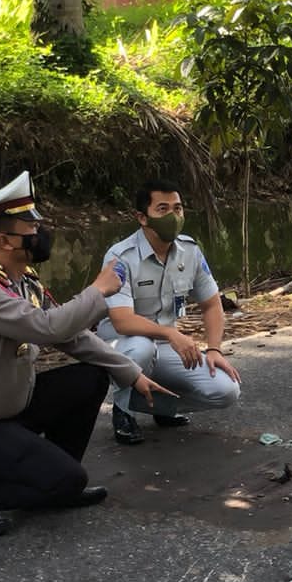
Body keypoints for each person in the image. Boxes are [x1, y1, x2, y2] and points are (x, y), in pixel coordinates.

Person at [0, 171, 174, 536]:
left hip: (10, 412)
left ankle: (50, 476)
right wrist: (98, 289)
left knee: (89, 377)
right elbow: (49, 328)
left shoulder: (21, 281)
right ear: (5, 240)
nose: (40, 233)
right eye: (30, 227)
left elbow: (72, 336)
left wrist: (131, 373)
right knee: (69, 480)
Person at [97, 179, 241, 445]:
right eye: (162, 209)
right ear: (142, 217)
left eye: (178, 209)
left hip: (164, 344)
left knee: (226, 390)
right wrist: (170, 333)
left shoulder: (190, 251)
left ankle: (163, 407)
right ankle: (123, 410)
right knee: (141, 347)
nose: (173, 217)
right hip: (121, 344)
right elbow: (122, 320)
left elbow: (211, 303)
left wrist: (214, 349)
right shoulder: (120, 257)